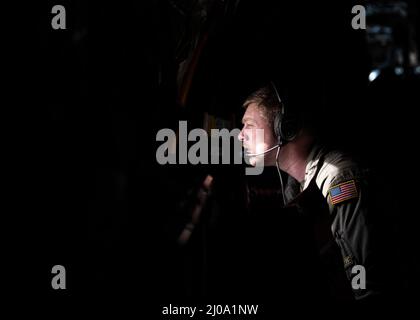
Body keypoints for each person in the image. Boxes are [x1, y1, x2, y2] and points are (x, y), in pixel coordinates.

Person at [238, 81, 400, 304]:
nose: (240, 136)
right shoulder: (296, 185)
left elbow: (365, 283)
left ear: (286, 127)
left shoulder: (339, 179)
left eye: (249, 125)